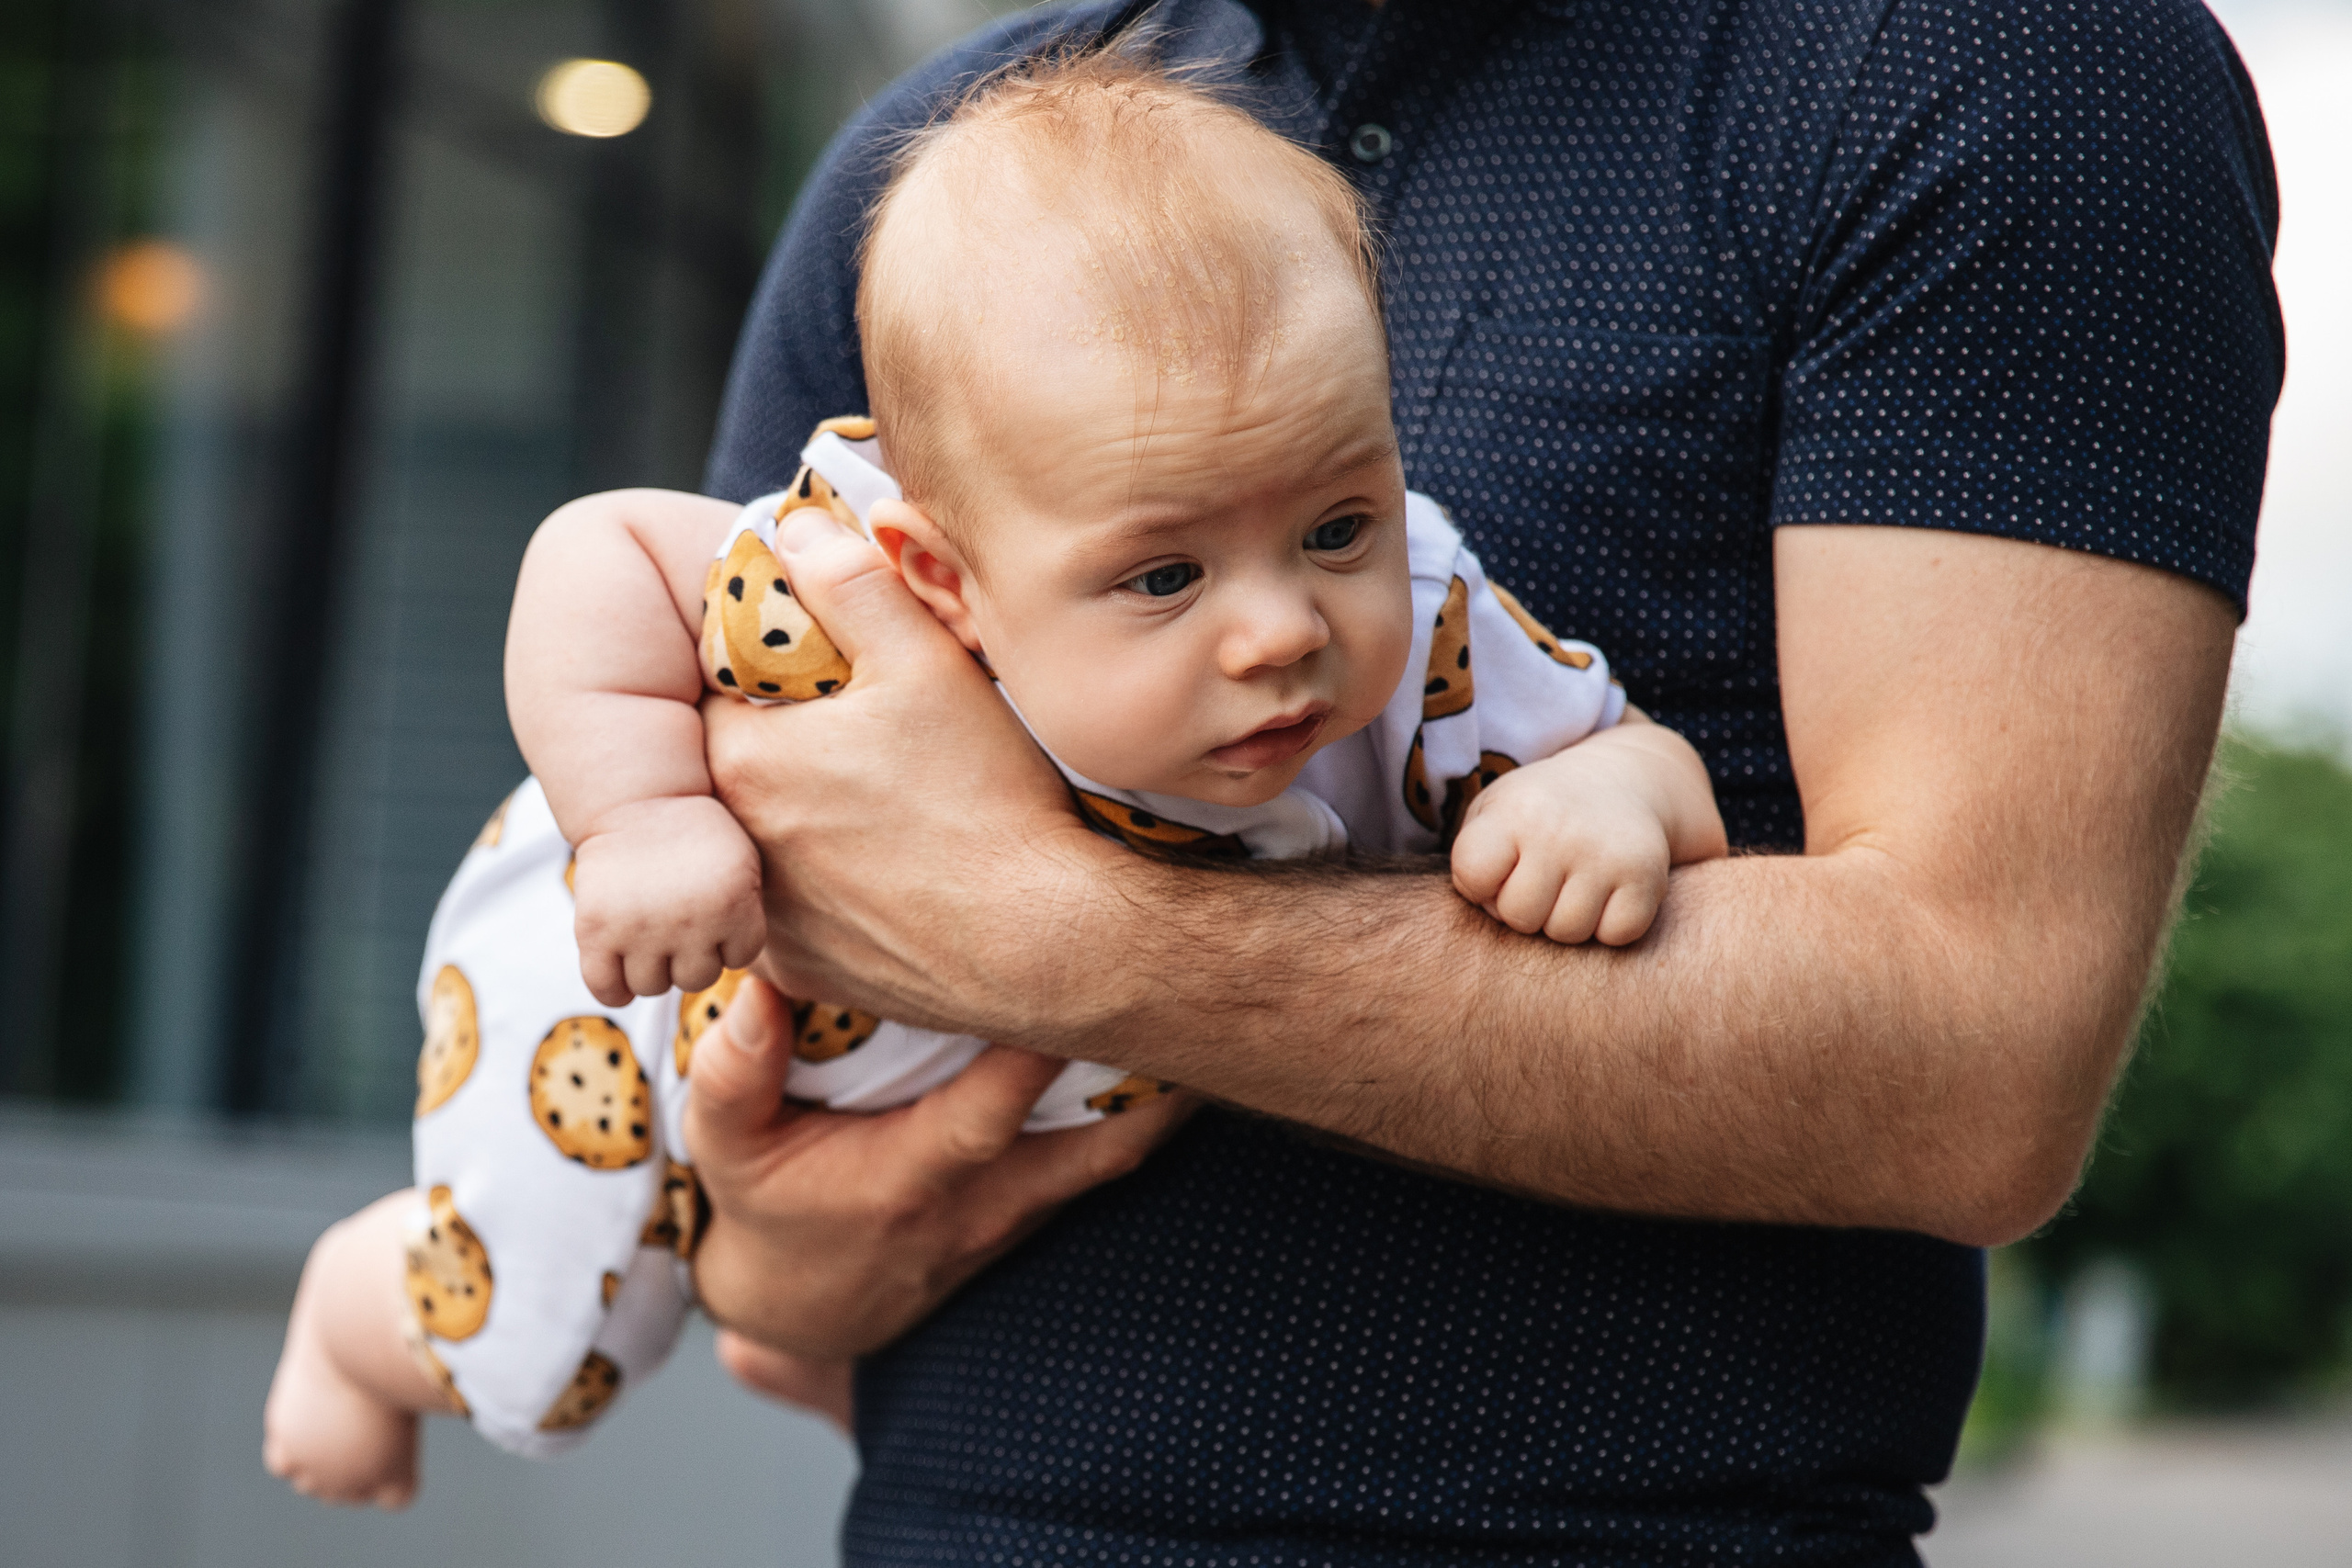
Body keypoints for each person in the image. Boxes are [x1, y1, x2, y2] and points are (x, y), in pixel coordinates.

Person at [669, 1, 2281, 1565]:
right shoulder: (936, 180)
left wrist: (1064, 937)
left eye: (1337, 534)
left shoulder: (2005, 62)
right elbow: (763, 1254)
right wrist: (779, 1255)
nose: (1278, 629)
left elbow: (1976, 1066)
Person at [261, 55, 1725, 1495]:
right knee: (554, 1346)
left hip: (940, 1124)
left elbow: (1639, 756)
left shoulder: (1430, 618)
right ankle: (355, 1312)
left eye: (1338, 526)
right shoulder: (846, 584)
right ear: (945, 578)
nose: (1284, 627)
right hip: (633, 1005)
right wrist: (644, 815)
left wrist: (1603, 800)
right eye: (1165, 575)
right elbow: (602, 549)